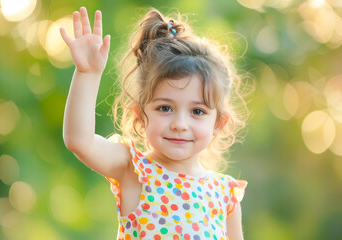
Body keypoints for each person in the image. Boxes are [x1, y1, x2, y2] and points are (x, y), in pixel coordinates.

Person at [61, 6, 248, 240]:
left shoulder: (225, 195)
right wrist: (87, 73)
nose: (180, 124)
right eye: (165, 108)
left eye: (197, 111)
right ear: (140, 115)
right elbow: (79, 140)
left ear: (218, 123)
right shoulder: (133, 169)